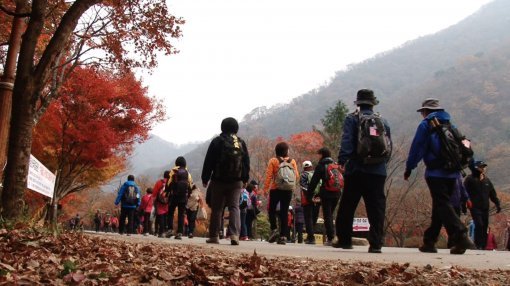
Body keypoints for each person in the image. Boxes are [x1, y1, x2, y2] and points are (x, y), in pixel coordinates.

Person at [405, 98, 474, 254]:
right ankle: (430, 241)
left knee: (442, 204)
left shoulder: (425, 125)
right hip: (453, 173)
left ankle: (460, 235)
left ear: (425, 112)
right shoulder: (451, 125)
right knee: (441, 206)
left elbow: (417, 147)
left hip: (435, 173)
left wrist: (410, 167)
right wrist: (471, 166)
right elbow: (464, 146)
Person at [335, 89, 392, 253]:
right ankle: (376, 244)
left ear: (358, 103)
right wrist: (381, 164)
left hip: (356, 169)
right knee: (376, 207)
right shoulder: (383, 121)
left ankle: (345, 240)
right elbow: (388, 146)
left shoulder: (352, 119)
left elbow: (347, 142)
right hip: (378, 171)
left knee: (348, 205)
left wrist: (342, 161)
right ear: (373, 104)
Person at [202, 117, 250, 245]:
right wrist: (245, 178)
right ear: (236, 128)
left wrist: (205, 178)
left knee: (217, 208)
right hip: (236, 181)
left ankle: (214, 236)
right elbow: (246, 162)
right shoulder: (240, 142)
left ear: (222, 127)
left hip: (218, 180)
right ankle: (234, 235)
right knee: (234, 207)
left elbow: (209, 161)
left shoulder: (217, 141)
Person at [263, 142, 299, 245]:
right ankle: (283, 236)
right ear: (287, 151)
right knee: (284, 212)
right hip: (288, 190)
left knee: (271, 210)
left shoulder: (273, 161)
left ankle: (274, 229)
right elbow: (296, 176)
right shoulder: (292, 161)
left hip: (276, 189)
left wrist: (265, 189)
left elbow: (269, 176)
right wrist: (291, 186)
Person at [464, 160, 502, 250]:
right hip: (474, 206)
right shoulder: (470, 179)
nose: (483, 169)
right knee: (479, 224)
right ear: (476, 167)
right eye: (481, 167)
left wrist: (497, 204)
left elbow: (492, 194)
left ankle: (483, 245)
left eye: (484, 167)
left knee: (484, 225)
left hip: (485, 207)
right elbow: (464, 192)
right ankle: (478, 244)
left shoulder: (487, 180)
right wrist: (464, 204)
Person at [307, 147, 341, 246]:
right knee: (331, 214)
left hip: (327, 193)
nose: (318, 156)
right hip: (337, 192)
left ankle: (331, 238)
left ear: (322, 155)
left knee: (328, 216)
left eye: (319, 154)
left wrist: (309, 194)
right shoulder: (335, 165)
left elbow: (314, 181)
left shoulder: (321, 166)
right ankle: (335, 236)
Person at [166, 156, 194, 240]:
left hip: (174, 195)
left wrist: (167, 192)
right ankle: (179, 232)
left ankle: (170, 230)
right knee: (181, 214)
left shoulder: (173, 171)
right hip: (183, 197)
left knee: (170, 212)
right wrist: (187, 195)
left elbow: (168, 183)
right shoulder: (187, 173)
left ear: (176, 163)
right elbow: (190, 186)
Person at [299, 160, 320, 244]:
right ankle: (310, 236)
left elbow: (303, 186)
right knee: (314, 218)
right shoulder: (316, 174)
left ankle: (311, 238)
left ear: (304, 167)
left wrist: (309, 195)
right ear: (311, 166)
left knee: (308, 219)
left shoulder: (303, 175)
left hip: (307, 199)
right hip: (317, 199)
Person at [153, 171, 170, 237]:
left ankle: (161, 232)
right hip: (168, 203)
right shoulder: (171, 183)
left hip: (159, 202)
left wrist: (154, 201)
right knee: (166, 217)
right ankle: (166, 231)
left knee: (161, 217)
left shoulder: (159, 182)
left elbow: (154, 192)